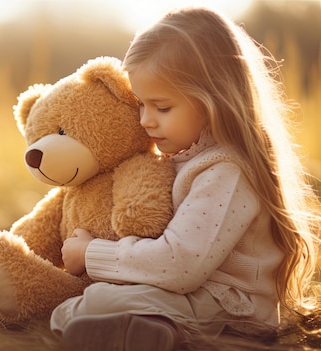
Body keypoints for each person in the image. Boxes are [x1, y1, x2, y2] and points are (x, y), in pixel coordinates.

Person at [51, 6, 321, 351]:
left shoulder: (226, 171)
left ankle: (156, 333)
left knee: (91, 303)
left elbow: (178, 264)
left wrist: (92, 253)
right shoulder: (188, 158)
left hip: (233, 312)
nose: (147, 120)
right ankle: (146, 332)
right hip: (195, 295)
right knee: (86, 305)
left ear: (215, 100)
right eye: (141, 105)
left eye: (162, 107)